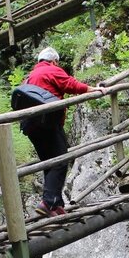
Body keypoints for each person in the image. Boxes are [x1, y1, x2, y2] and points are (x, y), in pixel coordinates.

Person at [22, 47, 100, 217]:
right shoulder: (51, 70)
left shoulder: (29, 77)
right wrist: (91, 89)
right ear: (54, 61)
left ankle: (55, 203)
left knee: (49, 162)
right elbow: (70, 84)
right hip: (47, 123)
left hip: (31, 126)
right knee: (61, 160)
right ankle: (48, 202)